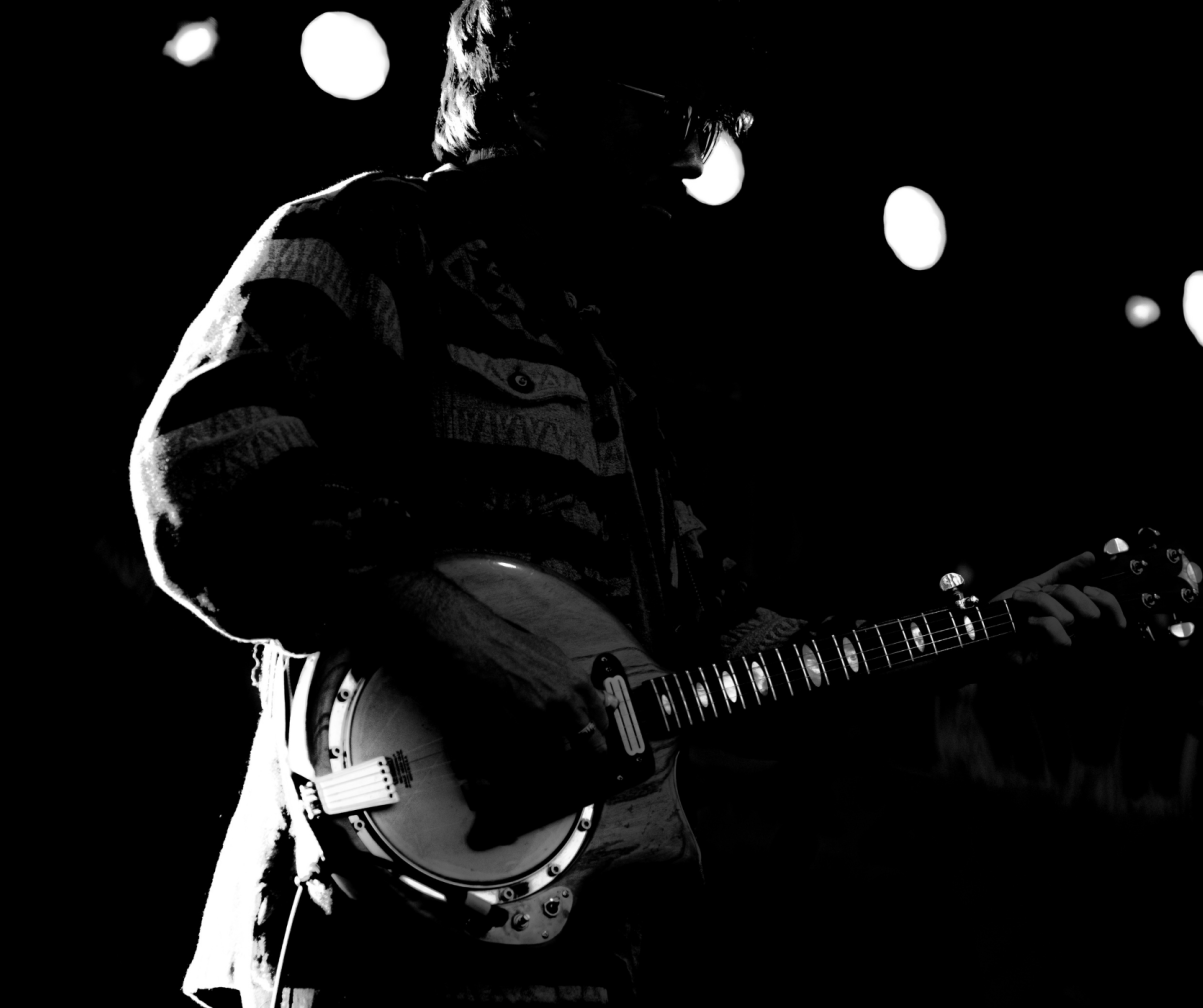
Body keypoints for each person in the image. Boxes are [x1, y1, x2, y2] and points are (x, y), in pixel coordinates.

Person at [129, 3, 1128, 1004]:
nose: (690, 160)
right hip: (363, 940)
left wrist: (981, 634)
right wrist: (467, 638)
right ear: (530, 94)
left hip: (578, 957)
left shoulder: (611, 374)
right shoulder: (374, 238)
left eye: (705, 124)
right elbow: (204, 465)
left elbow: (721, 641)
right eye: (666, 109)